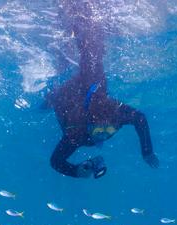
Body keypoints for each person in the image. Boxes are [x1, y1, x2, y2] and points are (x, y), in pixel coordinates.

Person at [46, 1, 158, 178]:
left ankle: (80, 21)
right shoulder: (78, 135)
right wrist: (147, 152)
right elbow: (140, 119)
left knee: (89, 62)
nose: (103, 136)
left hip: (77, 95)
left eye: (108, 131)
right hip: (67, 96)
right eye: (101, 132)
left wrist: (76, 171)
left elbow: (56, 162)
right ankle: (81, 19)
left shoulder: (114, 117)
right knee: (92, 56)